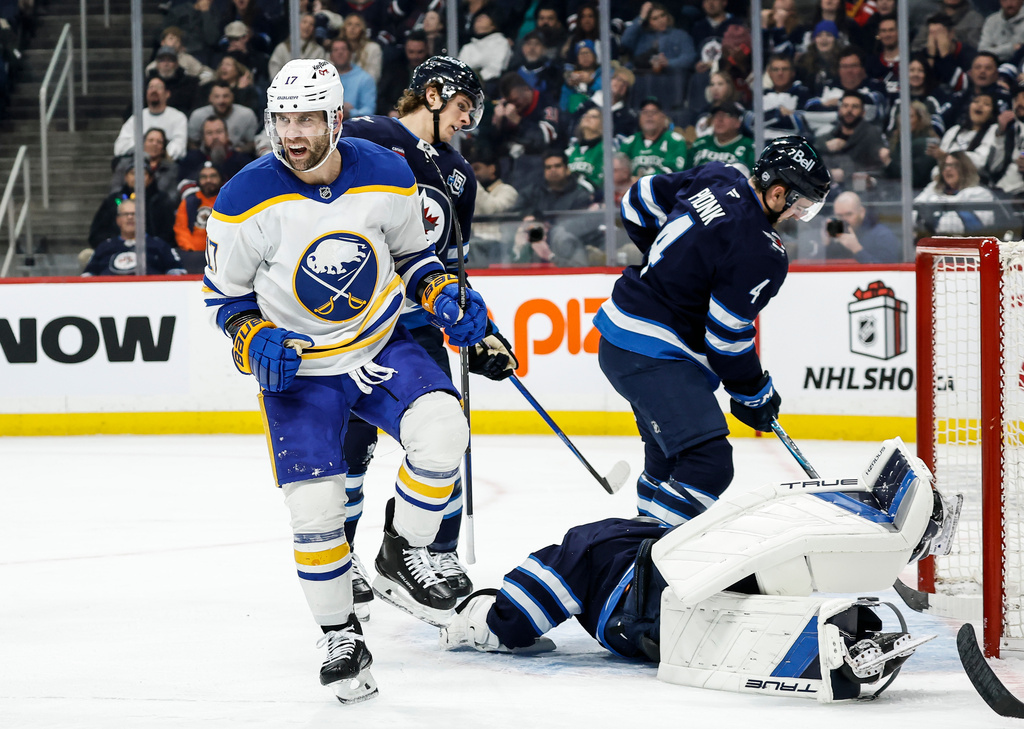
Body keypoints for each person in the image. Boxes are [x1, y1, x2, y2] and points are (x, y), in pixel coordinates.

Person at [203, 57, 491, 704]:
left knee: (443, 431)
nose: (292, 133)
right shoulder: (245, 194)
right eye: (283, 119)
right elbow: (224, 299)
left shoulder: (387, 172)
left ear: (337, 117)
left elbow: (415, 257)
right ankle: (340, 635)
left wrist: (443, 294)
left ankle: (401, 552)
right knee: (315, 514)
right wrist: (252, 335)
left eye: (306, 118)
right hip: (301, 372)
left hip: (380, 344)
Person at [439, 439, 954, 700]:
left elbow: (548, 582)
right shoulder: (616, 540)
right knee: (763, 570)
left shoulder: (598, 542)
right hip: (644, 606)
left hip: (640, 611)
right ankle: (833, 618)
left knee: (750, 580)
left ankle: (824, 630)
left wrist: (493, 620)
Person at [339, 56, 517, 620]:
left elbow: (448, 266)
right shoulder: (364, 137)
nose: (467, 120)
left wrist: (481, 329)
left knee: (446, 433)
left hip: (416, 325)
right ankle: (340, 561)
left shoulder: (459, 175)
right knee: (350, 450)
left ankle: (430, 553)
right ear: (433, 95)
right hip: (352, 326)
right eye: (463, 106)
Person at [593, 137, 830, 527]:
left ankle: (640, 551)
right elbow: (726, 339)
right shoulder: (762, 251)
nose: (797, 215)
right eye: (800, 206)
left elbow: (638, 199)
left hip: (622, 341)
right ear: (777, 193)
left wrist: (674, 264)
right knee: (709, 463)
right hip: (656, 354)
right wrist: (754, 392)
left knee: (669, 462)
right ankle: (637, 561)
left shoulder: (718, 175)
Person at [83, 197, 185, 276]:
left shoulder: (159, 245)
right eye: (125, 214)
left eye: (134, 214)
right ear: (118, 220)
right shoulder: (104, 247)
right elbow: (87, 276)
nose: (130, 217)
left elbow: (178, 273)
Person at [914, 150, 998, 235]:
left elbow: (971, 227)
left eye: (954, 165)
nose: (948, 169)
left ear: (965, 169)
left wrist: (931, 218)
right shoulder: (932, 189)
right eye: (945, 166)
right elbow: (911, 214)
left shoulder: (979, 193)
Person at [113, 77, 189, 161]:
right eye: (151, 87)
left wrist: (158, 155)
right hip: (139, 163)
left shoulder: (178, 117)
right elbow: (120, 147)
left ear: (167, 94)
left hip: (166, 164)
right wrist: (145, 149)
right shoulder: (137, 117)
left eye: (158, 87)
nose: (154, 90)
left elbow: (179, 146)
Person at [177, 116, 254, 192]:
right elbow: (183, 186)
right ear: (203, 138)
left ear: (227, 135)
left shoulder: (241, 160)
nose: (215, 137)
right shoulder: (191, 160)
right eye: (209, 133)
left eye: (219, 132)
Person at [825, 190, 901, 263]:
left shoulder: (882, 235)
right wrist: (826, 244)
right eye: (839, 215)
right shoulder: (835, 237)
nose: (844, 220)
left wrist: (857, 249)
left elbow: (888, 271)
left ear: (862, 212)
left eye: (849, 214)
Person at [620, 97, 688, 177]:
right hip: (634, 188)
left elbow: (674, 172)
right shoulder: (629, 142)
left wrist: (643, 180)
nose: (649, 115)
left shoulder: (674, 141)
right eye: (645, 112)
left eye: (654, 112)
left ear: (663, 117)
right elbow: (618, 171)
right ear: (639, 118)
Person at [174, 161, 222, 272]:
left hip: (222, 253)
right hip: (193, 255)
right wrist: (191, 249)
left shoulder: (227, 201)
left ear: (220, 178)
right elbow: (180, 229)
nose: (208, 180)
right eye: (204, 177)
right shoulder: (189, 201)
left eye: (213, 176)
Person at [187, 81, 259, 154]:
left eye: (225, 96)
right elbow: (192, 142)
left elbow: (252, 143)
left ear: (232, 97)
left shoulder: (246, 115)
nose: (221, 101)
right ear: (210, 98)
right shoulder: (198, 115)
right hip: (204, 157)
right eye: (216, 96)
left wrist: (236, 153)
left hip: (237, 157)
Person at [684, 102, 755, 174]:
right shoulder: (700, 143)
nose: (720, 119)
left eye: (726, 115)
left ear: (737, 122)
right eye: (716, 115)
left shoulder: (749, 147)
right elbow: (685, 174)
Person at [110, 127, 179, 201]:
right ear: (143, 143)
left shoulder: (172, 168)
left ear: (163, 147)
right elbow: (115, 190)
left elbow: (173, 195)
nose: (154, 144)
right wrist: (123, 203)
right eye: (150, 140)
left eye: (159, 142)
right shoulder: (126, 164)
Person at [267, 14, 328, 80]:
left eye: (311, 24)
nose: (307, 26)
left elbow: (321, 74)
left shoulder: (318, 51)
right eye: (304, 22)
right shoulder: (282, 48)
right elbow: (274, 71)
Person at [329, 37, 376, 119]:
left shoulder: (365, 78)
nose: (340, 52)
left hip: (356, 126)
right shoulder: (325, 78)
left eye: (343, 49)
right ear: (330, 56)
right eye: (335, 50)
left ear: (350, 54)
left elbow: (370, 110)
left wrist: (351, 112)